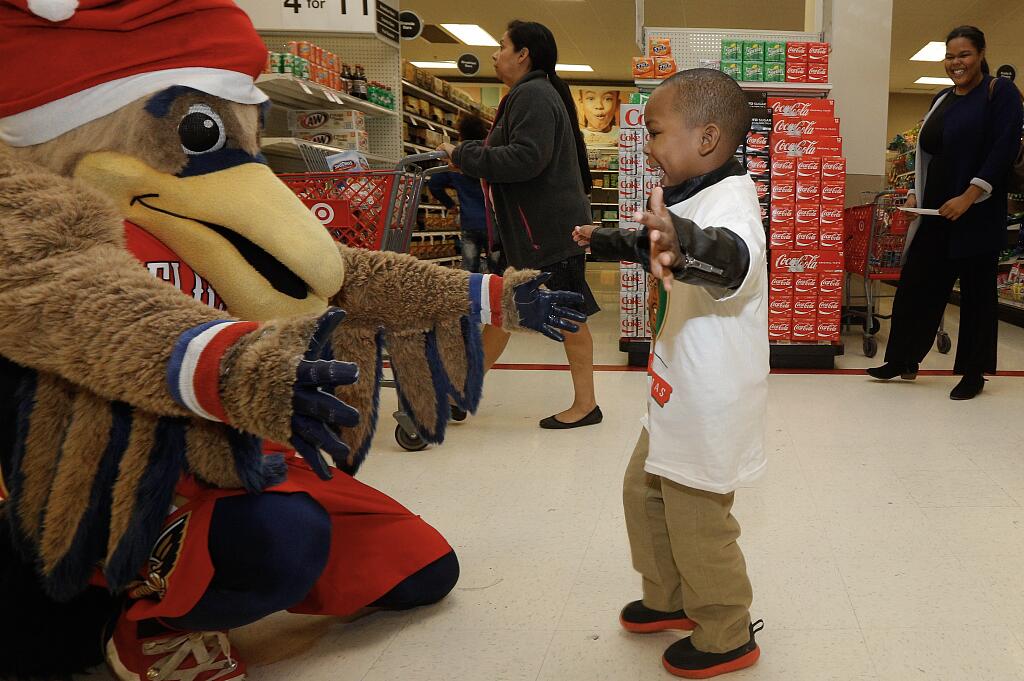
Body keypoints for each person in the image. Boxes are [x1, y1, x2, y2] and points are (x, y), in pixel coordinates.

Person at [573, 69, 766, 679]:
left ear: (707, 137)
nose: (647, 145)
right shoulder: (692, 194)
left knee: (699, 519)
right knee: (644, 492)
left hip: (709, 397)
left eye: (656, 132)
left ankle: (725, 631)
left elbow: (727, 257)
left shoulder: (733, 204)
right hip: (674, 384)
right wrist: (608, 239)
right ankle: (668, 596)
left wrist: (683, 242)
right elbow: (662, 243)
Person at [439, 20, 602, 429]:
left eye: (502, 46)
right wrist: (472, 153)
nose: (495, 55)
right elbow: (514, 151)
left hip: (547, 230)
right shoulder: (531, 94)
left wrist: (463, 156)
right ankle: (462, 386)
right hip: (532, 230)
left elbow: (527, 158)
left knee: (567, 314)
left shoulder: (532, 94)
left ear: (523, 54)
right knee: (503, 309)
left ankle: (586, 405)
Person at [867, 25, 1024, 399]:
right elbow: (928, 154)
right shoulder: (942, 98)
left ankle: (973, 373)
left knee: (976, 294)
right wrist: (913, 194)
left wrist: (971, 195)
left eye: (964, 54)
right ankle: (903, 358)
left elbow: (1003, 148)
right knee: (917, 284)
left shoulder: (999, 92)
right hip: (935, 210)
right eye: (950, 56)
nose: (957, 62)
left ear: (981, 53)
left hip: (976, 210)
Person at [428, 115, 491, 273]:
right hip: (493, 224)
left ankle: (471, 298)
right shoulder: (488, 157)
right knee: (497, 269)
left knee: (469, 271)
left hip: (469, 222)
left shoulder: (458, 159)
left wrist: (450, 205)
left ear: (461, 135)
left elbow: (434, 184)